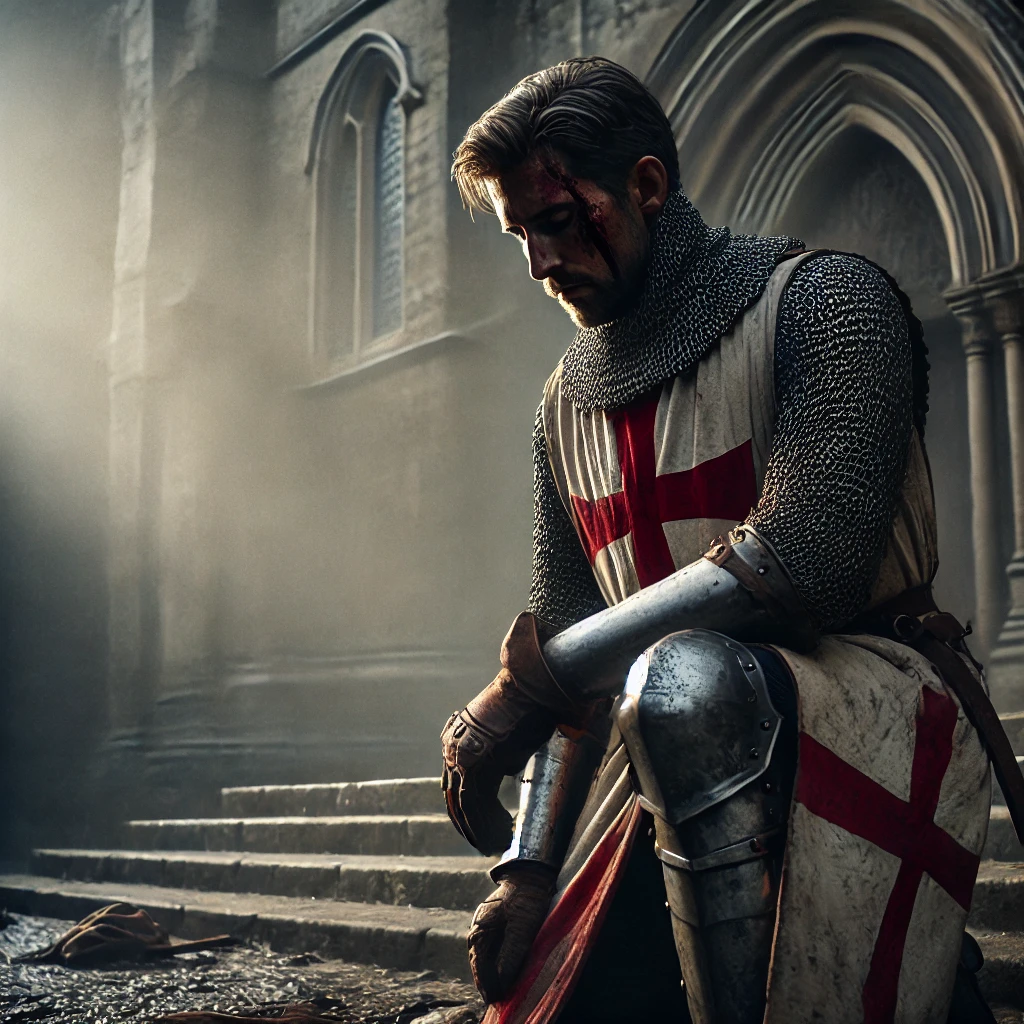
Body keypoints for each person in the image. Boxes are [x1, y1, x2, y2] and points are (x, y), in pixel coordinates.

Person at [440, 57, 1016, 1024]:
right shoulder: (561, 407)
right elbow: (583, 644)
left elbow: (801, 558)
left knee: (690, 681)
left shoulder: (828, 304)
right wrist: (529, 867)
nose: (538, 262)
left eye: (555, 221)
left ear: (649, 187)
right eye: (520, 236)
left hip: (857, 710)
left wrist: (519, 687)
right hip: (653, 754)